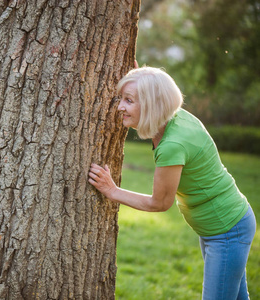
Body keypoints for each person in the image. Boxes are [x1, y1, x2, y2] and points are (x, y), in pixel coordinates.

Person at [88, 66, 256, 299]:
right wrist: (141, 77)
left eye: (129, 100)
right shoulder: (175, 118)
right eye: (122, 99)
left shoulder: (173, 145)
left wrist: (111, 190)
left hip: (226, 230)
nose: (120, 107)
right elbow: (155, 88)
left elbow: (160, 202)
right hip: (221, 227)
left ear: (151, 105)